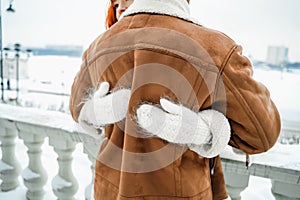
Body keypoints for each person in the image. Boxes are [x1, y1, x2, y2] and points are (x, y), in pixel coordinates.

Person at [69, 0, 281, 199]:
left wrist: (95, 111)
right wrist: (208, 132)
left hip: (108, 190)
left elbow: (76, 109)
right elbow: (262, 134)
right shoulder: (216, 49)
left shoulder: (98, 47)